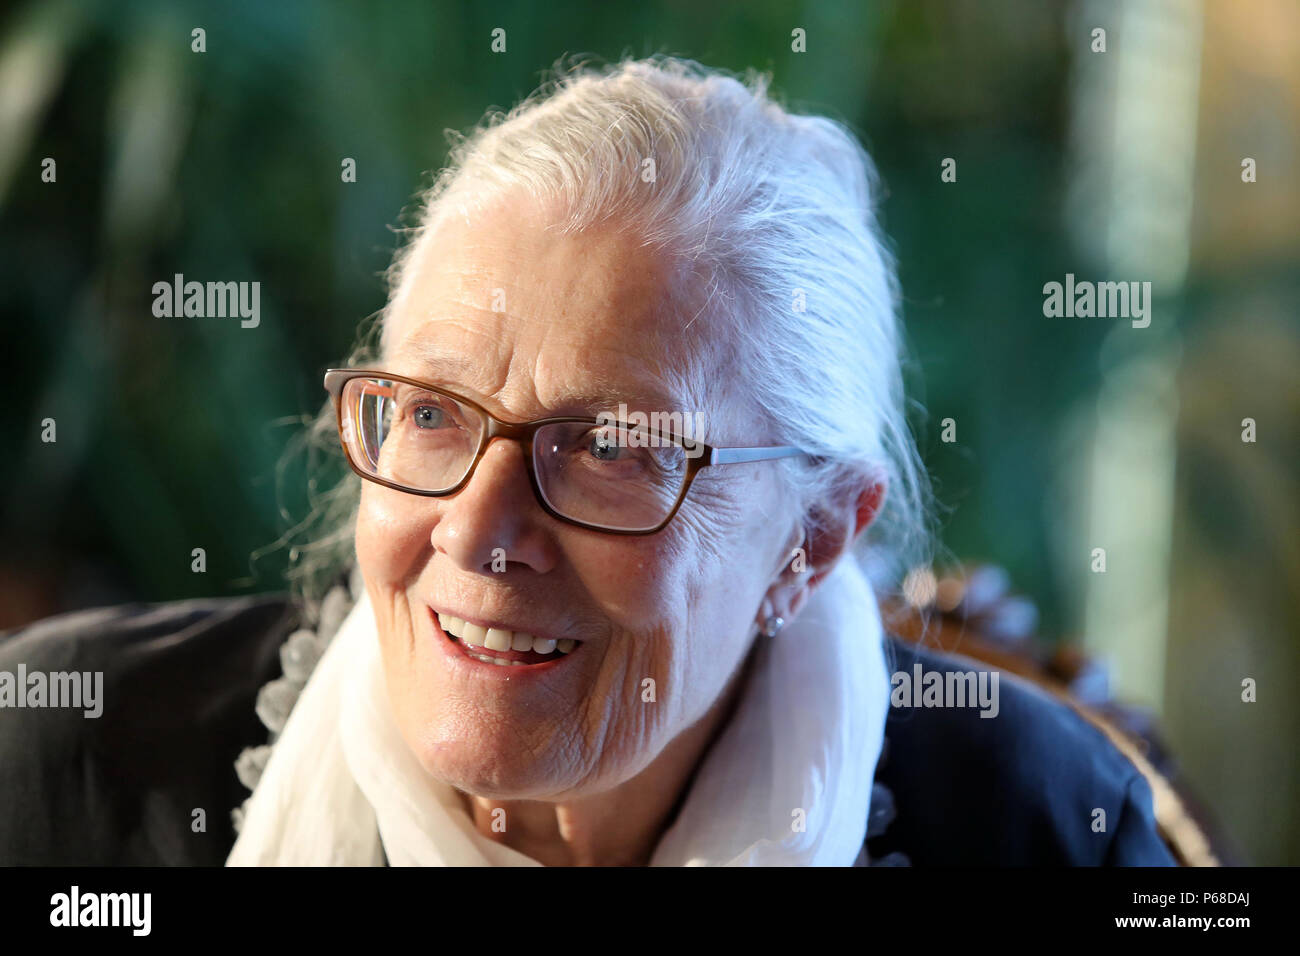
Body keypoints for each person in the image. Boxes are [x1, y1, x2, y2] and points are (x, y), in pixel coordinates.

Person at [0, 56, 1175, 866]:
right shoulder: (75, 766)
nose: (474, 529)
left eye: (614, 447)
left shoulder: (1041, 828)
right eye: (432, 415)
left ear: (811, 539)